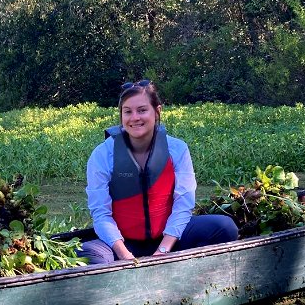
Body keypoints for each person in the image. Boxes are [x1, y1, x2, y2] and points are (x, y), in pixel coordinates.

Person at [80, 79, 238, 264]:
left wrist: (163, 251)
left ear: (157, 111)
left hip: (169, 240)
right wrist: (125, 256)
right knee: (88, 254)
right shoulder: (102, 154)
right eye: (127, 112)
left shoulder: (177, 149)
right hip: (124, 245)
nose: (135, 118)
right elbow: (100, 213)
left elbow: (183, 204)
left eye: (142, 110)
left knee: (225, 227)